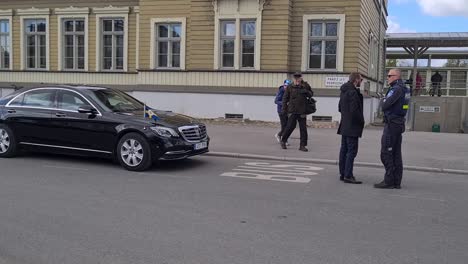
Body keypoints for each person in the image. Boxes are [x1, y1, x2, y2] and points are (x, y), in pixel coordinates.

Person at [374, 68, 410, 189]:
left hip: (392, 124)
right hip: (398, 123)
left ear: (396, 76)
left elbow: (384, 105)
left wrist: (383, 100)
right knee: (396, 154)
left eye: (389, 75)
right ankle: (396, 181)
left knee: (386, 152)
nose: (387, 78)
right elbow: (404, 106)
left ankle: (389, 180)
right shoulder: (405, 89)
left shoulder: (396, 89)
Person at [337, 73, 365, 184]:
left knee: (344, 150)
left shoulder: (344, 91)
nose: (361, 81)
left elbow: (339, 108)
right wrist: (361, 121)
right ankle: (348, 175)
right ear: (356, 80)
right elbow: (355, 111)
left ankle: (343, 173)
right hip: (352, 126)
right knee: (351, 152)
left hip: (344, 125)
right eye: (361, 79)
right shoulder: (353, 92)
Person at [280, 72, 313, 152]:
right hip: (293, 110)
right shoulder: (290, 87)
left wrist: (306, 91)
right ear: (293, 78)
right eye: (295, 78)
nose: (297, 79)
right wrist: (284, 110)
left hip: (302, 110)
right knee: (290, 126)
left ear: (301, 78)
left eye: (298, 77)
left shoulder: (305, 85)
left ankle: (302, 145)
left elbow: (311, 94)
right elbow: (285, 98)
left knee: (303, 129)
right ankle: (283, 140)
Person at [274, 79, 292, 143]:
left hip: (287, 111)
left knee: (288, 126)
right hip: (281, 111)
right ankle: (283, 138)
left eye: (288, 86)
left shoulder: (290, 91)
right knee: (284, 126)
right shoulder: (281, 91)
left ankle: (280, 136)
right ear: (284, 85)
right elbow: (276, 101)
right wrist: (284, 103)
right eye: (285, 86)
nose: (286, 87)